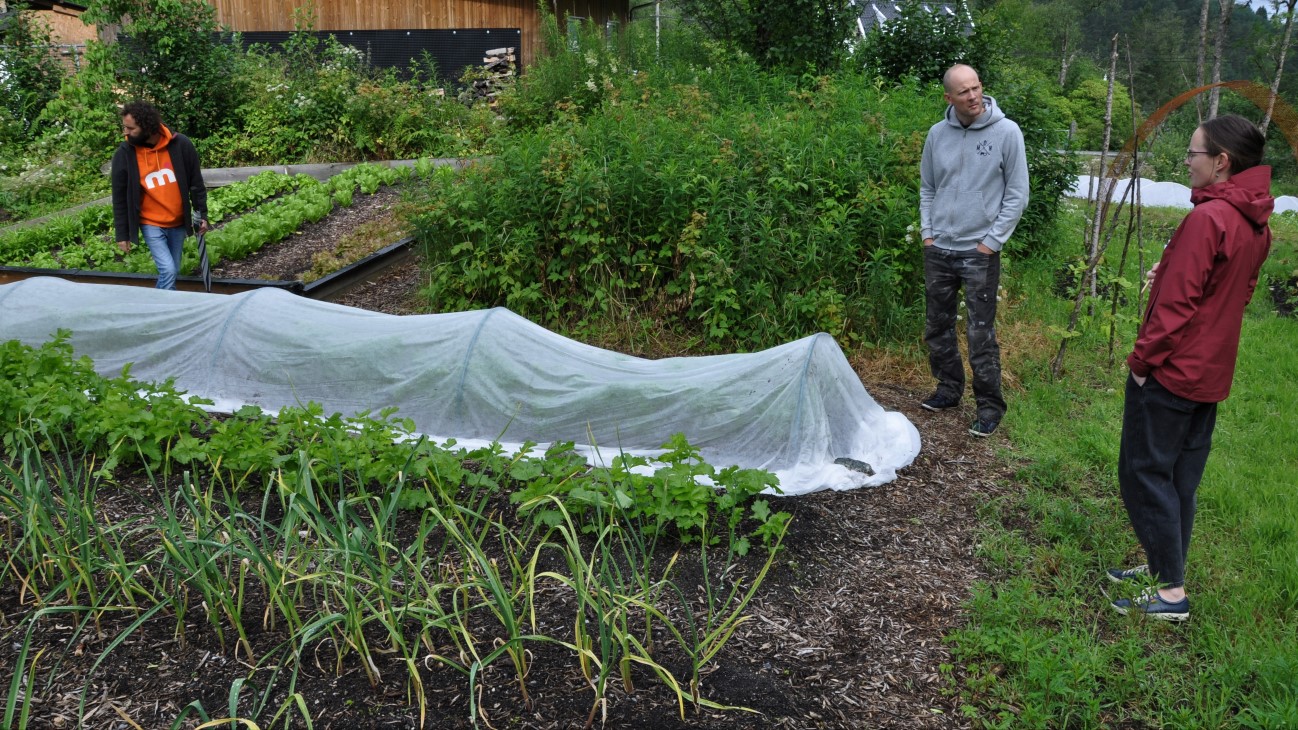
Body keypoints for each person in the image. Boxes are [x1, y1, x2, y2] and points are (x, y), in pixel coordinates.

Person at [1108, 115, 1273, 622]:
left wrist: (1142, 361)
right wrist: (1175, 260)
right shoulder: (1254, 221)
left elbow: (1177, 307)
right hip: (1210, 371)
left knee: (1144, 472)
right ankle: (1164, 567)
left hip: (1173, 371)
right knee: (1180, 478)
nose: (1187, 162)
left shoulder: (1208, 218)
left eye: (1193, 153)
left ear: (1221, 162)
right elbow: (1234, 289)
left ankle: (1171, 595)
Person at [918, 64, 1030, 437]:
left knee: (980, 333)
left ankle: (989, 407)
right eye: (964, 92)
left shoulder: (1006, 132)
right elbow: (928, 187)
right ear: (949, 98)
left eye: (976, 87)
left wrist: (990, 242)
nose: (973, 96)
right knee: (938, 327)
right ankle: (948, 390)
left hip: (979, 250)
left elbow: (1017, 195)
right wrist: (927, 233)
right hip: (939, 249)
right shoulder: (937, 134)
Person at [111, 100, 209, 290]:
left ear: (147, 127)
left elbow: (196, 184)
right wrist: (122, 234)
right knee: (168, 271)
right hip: (151, 223)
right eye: (125, 128)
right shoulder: (125, 153)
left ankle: (163, 309)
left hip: (178, 222)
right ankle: (158, 311)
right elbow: (120, 197)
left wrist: (202, 215)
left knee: (173, 271)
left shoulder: (180, 145)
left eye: (131, 128)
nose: (126, 133)